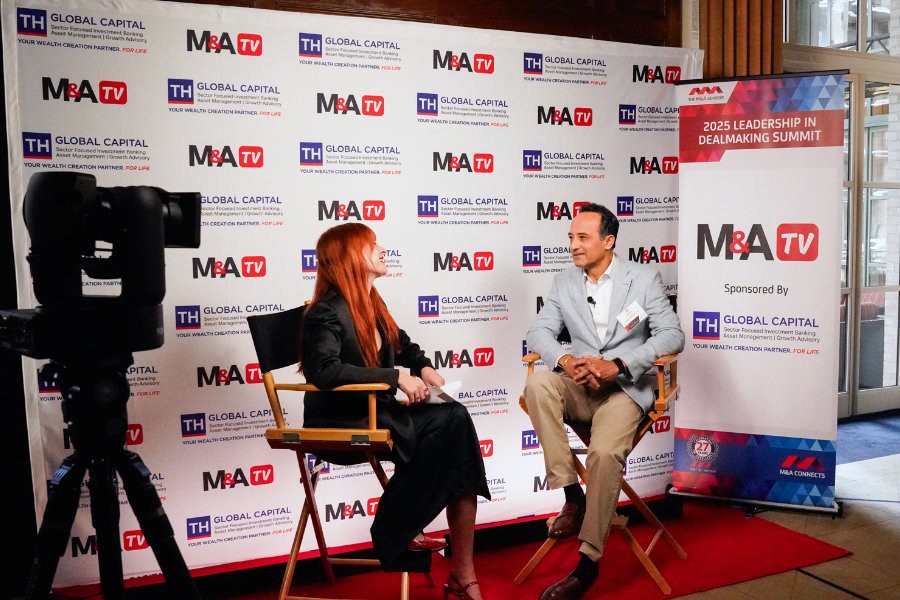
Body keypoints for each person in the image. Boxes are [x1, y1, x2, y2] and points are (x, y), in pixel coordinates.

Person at [299, 222, 491, 600]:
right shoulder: (324, 312)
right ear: (350, 257)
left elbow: (402, 344)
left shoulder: (372, 301)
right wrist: (396, 377)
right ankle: (404, 534)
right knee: (453, 431)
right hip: (341, 419)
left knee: (455, 422)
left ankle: (444, 560)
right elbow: (323, 371)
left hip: (377, 412)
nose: (383, 249)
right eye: (372, 245)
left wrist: (423, 367)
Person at [524, 203, 684, 600]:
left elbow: (672, 335)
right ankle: (571, 496)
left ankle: (587, 564)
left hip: (625, 390)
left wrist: (619, 364)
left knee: (604, 454)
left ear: (609, 241)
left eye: (583, 237)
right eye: (571, 238)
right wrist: (566, 361)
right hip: (580, 387)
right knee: (539, 384)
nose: (573, 246)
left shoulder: (642, 279)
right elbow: (539, 332)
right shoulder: (564, 282)